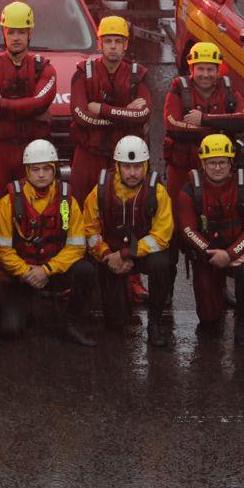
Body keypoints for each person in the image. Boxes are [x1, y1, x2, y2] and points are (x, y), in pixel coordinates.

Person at [0, 139, 97, 345]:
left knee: (86, 271)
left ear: (55, 170)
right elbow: (1, 249)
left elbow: (76, 246)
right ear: (27, 171)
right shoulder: (9, 203)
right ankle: (25, 308)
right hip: (21, 275)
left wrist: (46, 270)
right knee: (9, 330)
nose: (41, 174)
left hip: (54, 271)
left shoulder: (67, 202)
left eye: (47, 169)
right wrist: (26, 272)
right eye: (35, 169)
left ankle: (69, 323)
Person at [74, 135, 176, 347]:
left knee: (162, 263)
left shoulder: (158, 191)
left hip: (142, 254)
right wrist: (105, 255)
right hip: (111, 256)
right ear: (117, 165)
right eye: (127, 166)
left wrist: (126, 254)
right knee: (116, 322)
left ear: (146, 165)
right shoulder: (100, 191)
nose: (132, 172)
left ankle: (155, 323)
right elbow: (90, 231)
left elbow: (162, 236)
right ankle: (120, 305)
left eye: (138, 166)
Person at [175, 134, 244, 346]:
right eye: (212, 162)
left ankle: (241, 327)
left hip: (236, 254)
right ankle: (217, 291)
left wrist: (230, 254)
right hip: (207, 257)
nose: (217, 167)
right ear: (202, 163)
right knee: (208, 319)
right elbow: (188, 230)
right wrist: (215, 255)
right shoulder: (189, 191)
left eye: (222, 162)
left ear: (231, 162)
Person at [0, 1, 58, 191]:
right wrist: (30, 109)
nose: (16, 38)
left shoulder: (44, 67)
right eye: (11, 32)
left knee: (32, 209)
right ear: (3, 32)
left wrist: (2, 106)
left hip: (32, 152)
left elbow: (40, 103)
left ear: (30, 34)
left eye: (21, 32)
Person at [68, 16, 151, 197]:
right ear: (99, 43)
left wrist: (102, 110)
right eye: (108, 41)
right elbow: (81, 117)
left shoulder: (138, 74)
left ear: (126, 44)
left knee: (126, 208)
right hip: (89, 155)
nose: (113, 46)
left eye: (118, 41)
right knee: (79, 206)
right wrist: (125, 114)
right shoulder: (82, 72)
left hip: (124, 158)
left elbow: (143, 115)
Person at [163, 43, 244, 199]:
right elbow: (173, 127)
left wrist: (203, 119)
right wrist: (222, 128)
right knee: (177, 212)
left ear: (218, 71)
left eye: (210, 69)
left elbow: (243, 121)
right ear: (191, 70)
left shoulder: (228, 90)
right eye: (200, 69)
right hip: (183, 167)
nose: (205, 74)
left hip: (219, 168)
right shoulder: (178, 88)